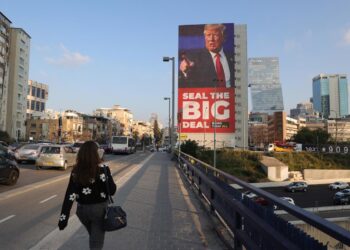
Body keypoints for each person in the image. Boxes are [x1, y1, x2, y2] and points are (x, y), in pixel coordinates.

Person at [58, 141, 116, 250]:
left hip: (82, 211)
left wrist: (63, 218)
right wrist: (105, 175)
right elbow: (112, 191)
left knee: (94, 236)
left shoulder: (76, 170)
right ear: (97, 153)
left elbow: (70, 194)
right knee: (96, 243)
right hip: (99, 211)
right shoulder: (103, 169)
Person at [179, 24, 234, 88]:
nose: (211, 39)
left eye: (215, 35)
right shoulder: (194, 59)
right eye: (208, 35)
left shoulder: (232, 57)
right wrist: (185, 73)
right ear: (205, 37)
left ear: (224, 37)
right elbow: (186, 83)